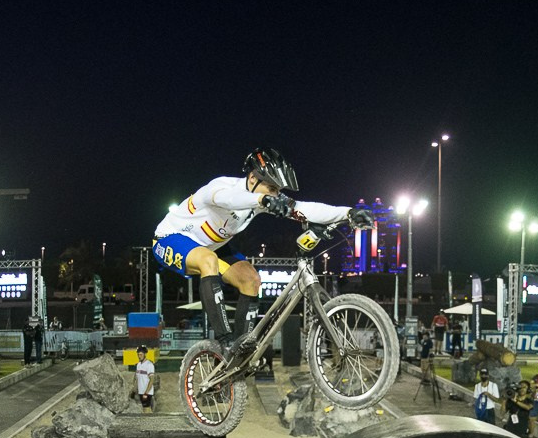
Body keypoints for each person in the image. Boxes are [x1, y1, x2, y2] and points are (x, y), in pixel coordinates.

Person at [151, 149, 374, 355]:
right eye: (271, 188)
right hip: (170, 239)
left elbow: (303, 209)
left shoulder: (261, 199)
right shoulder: (222, 187)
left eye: (278, 191)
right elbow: (230, 200)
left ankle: (241, 349)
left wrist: (349, 213)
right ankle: (225, 342)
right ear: (252, 178)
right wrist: (262, 199)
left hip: (212, 245)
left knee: (252, 279)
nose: (275, 195)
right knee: (207, 260)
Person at [133, 345, 156, 411]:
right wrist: (134, 389)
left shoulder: (149, 365)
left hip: (147, 392)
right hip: (141, 391)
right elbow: (137, 378)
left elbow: (152, 380)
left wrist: (146, 392)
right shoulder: (138, 365)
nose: (139, 356)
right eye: (138, 354)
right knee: (144, 409)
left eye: (141, 354)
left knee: (146, 409)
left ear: (145, 354)